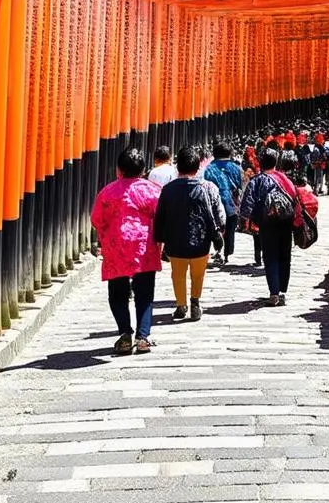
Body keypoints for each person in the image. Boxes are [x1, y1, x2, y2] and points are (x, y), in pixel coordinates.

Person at [89, 148, 162, 355]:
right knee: (145, 292)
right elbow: (161, 218)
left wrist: (103, 237)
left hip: (116, 245)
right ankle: (143, 337)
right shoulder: (152, 190)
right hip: (144, 245)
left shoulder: (107, 192)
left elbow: (97, 219)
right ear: (142, 170)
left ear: (119, 169)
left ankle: (124, 334)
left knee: (118, 292)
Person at [153, 145, 225, 321]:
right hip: (201, 240)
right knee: (198, 273)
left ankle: (180, 304)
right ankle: (195, 302)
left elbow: (160, 216)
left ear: (178, 167)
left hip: (175, 240)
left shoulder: (168, 189)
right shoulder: (209, 187)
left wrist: (159, 238)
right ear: (197, 166)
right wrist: (218, 232)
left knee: (177, 273)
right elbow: (219, 214)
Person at [239, 147, 300, 307]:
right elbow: (295, 197)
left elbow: (247, 203)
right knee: (284, 256)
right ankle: (282, 291)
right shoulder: (285, 179)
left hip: (267, 224)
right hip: (286, 222)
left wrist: (245, 221)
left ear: (260, 162)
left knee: (270, 257)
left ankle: (274, 293)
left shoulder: (257, 181)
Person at [205, 142, 242, 265]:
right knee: (230, 228)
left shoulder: (209, 168)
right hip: (232, 201)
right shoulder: (236, 168)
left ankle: (218, 249)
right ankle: (227, 253)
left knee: (216, 226)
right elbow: (240, 185)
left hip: (214, 201)